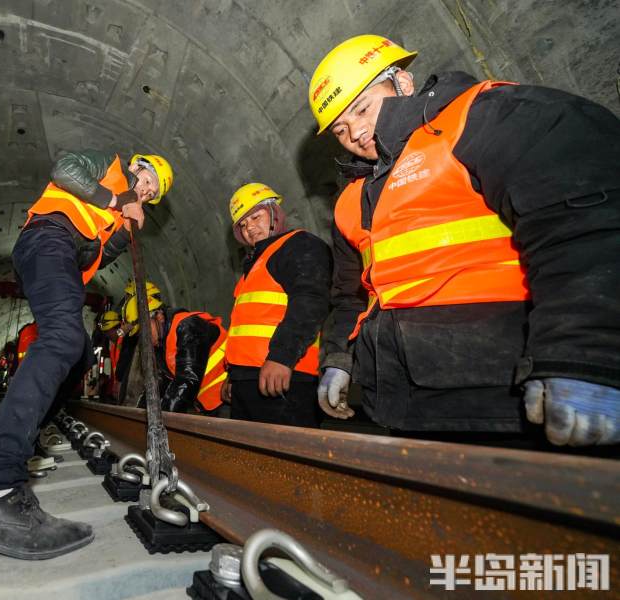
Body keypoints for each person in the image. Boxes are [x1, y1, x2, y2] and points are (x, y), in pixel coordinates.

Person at [310, 35, 620, 446]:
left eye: (363, 109)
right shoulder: (352, 201)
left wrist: (584, 351)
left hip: (511, 399)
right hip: (410, 409)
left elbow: (583, 215)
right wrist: (339, 358)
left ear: (402, 82)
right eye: (341, 129)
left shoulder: (477, 119)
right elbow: (351, 297)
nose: (357, 133)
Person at [0, 150, 173, 560]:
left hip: (62, 254)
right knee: (64, 339)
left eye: (153, 193)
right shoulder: (109, 167)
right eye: (149, 180)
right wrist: (118, 201)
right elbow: (65, 170)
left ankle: (14, 452)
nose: (147, 191)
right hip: (47, 239)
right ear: (136, 167)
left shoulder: (116, 212)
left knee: (77, 354)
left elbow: (98, 255)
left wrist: (126, 230)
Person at [223, 183, 331, 428]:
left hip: (284, 377)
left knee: (287, 462)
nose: (249, 227)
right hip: (249, 380)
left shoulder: (299, 245)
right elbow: (245, 328)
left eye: (255, 216)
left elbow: (310, 302)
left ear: (274, 213)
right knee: (248, 460)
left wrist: (282, 357)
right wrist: (234, 375)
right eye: (242, 224)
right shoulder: (253, 267)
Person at [123, 289, 228, 416]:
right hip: (209, 403)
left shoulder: (188, 327)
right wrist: (140, 412)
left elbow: (187, 379)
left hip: (226, 396)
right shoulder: (161, 342)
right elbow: (161, 382)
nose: (144, 338)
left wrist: (163, 420)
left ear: (159, 316)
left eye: (145, 330)